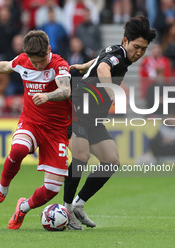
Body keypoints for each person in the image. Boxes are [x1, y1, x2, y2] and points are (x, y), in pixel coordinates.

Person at [0, 30, 72, 230]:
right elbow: (7, 66)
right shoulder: (23, 60)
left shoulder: (59, 65)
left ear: (49, 50)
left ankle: (22, 208)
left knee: (52, 189)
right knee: (18, 150)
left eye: (42, 61)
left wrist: (48, 96)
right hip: (31, 121)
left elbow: (65, 90)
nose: (38, 65)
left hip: (56, 130)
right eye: (34, 62)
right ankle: (1, 191)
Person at [64, 16, 156, 230]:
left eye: (143, 49)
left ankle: (79, 204)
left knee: (111, 160)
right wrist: (113, 92)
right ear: (125, 41)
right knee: (81, 157)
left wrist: (83, 65)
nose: (139, 53)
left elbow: (100, 60)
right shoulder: (117, 57)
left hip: (94, 116)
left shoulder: (118, 52)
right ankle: (66, 211)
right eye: (136, 47)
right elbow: (103, 68)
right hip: (78, 108)